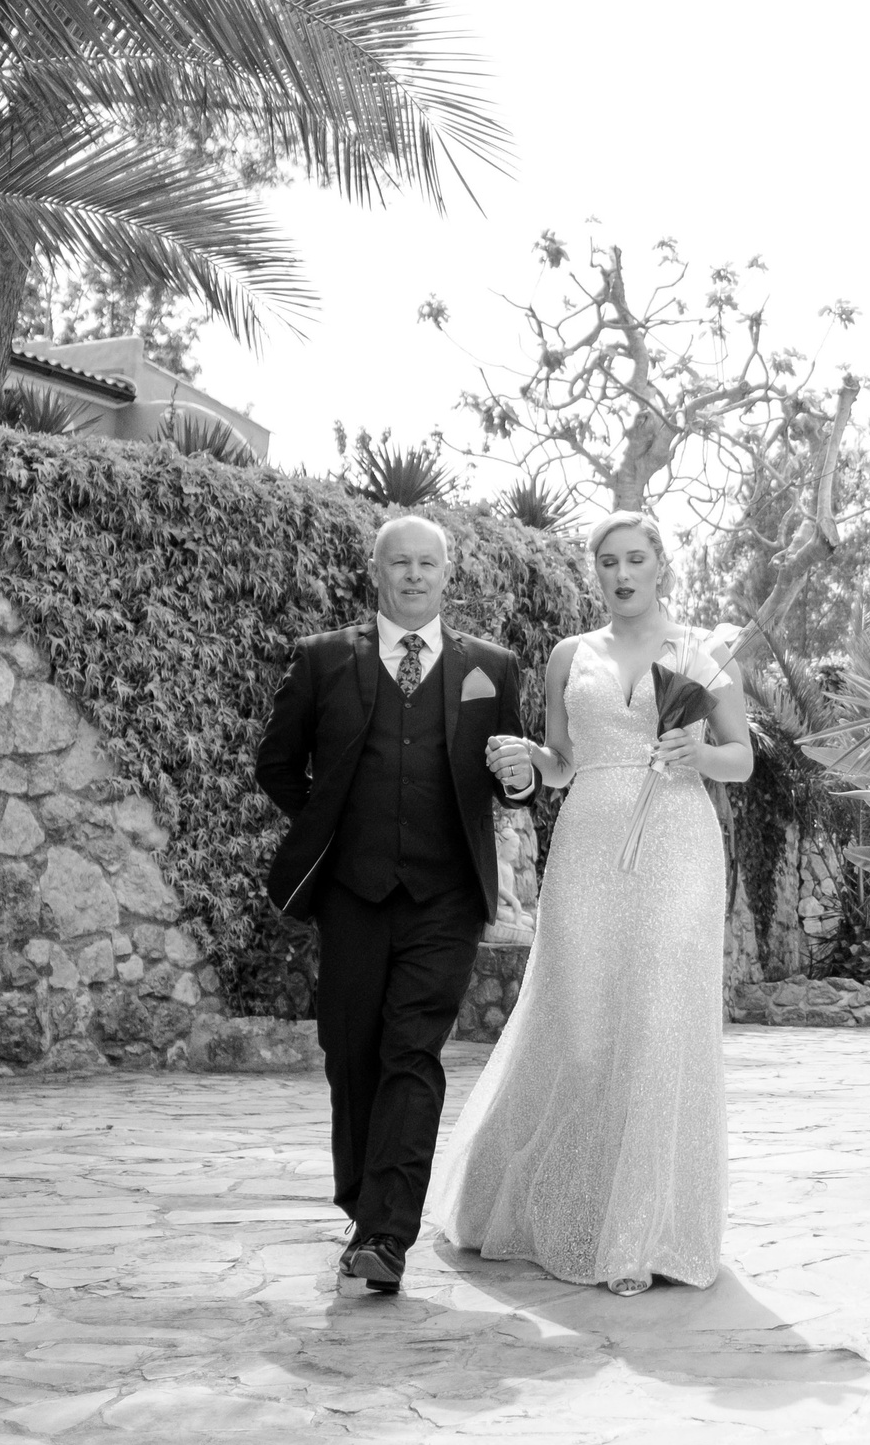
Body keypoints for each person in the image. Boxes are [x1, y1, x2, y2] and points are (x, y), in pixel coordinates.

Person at [430, 512, 751, 1296]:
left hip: (678, 845)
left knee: (658, 1025)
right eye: (607, 561)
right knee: (579, 1027)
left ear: (661, 563)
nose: (620, 573)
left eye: (635, 558)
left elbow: (740, 759)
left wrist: (695, 752)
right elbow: (566, 765)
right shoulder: (571, 656)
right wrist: (528, 756)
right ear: (595, 571)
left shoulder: (702, 655)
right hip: (587, 847)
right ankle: (546, 1210)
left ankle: (639, 1236)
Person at [253, 514, 536, 1296]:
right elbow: (275, 763)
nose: (414, 575)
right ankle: (363, 1201)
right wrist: (328, 820)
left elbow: (518, 773)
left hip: (446, 895)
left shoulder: (492, 666)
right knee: (351, 1055)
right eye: (399, 563)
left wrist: (520, 776)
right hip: (351, 891)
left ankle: (386, 1233)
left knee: (412, 1053)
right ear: (376, 573)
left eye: (428, 564)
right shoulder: (322, 661)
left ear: (448, 575)